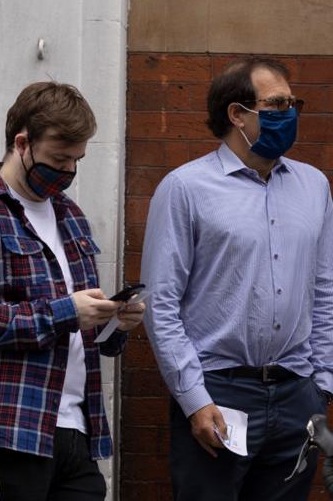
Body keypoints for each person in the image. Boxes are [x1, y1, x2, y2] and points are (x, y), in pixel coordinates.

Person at [0, 82, 145, 501]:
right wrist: (64, 313)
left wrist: (113, 322)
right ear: (22, 143)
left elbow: (85, 333)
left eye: (76, 160)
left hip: (76, 430)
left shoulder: (70, 215)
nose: (67, 171)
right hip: (11, 432)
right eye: (58, 159)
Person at [142, 57, 333, 501]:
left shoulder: (313, 186)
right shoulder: (185, 188)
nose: (290, 114)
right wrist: (194, 398)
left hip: (296, 394)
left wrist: (321, 387)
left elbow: (324, 290)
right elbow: (161, 303)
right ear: (237, 114)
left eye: (292, 103)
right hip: (218, 392)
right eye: (277, 103)